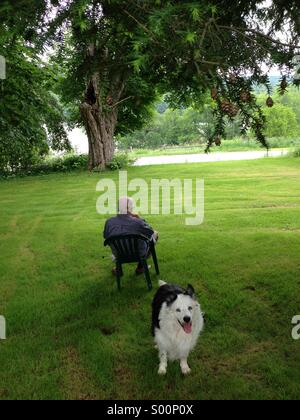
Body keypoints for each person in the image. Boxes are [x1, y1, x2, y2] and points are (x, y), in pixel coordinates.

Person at [104, 197, 158, 275]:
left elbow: (106, 236)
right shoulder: (138, 222)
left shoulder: (109, 222)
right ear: (129, 208)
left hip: (119, 254)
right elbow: (150, 232)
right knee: (155, 234)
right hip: (138, 253)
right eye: (132, 206)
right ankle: (141, 267)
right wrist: (140, 219)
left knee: (116, 243)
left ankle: (118, 268)